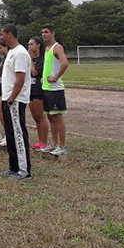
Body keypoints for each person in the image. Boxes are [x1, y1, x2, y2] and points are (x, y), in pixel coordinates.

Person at [0, 24, 32, 180]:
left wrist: (12, 97)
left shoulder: (20, 53)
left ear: (10, 34)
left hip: (16, 100)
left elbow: (20, 79)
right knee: (10, 134)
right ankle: (13, 167)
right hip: (8, 98)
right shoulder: (11, 52)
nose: (1, 37)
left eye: (3, 34)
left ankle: (24, 171)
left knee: (18, 134)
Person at [41, 25, 70, 156]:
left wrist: (56, 77)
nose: (44, 35)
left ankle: (62, 146)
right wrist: (43, 78)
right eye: (42, 32)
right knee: (50, 117)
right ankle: (53, 144)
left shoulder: (57, 47)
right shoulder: (46, 49)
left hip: (55, 89)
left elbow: (65, 63)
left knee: (57, 117)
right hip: (46, 88)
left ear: (53, 33)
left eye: (46, 32)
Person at [27, 36, 50, 150]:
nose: (29, 47)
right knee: (35, 117)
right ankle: (40, 141)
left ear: (38, 45)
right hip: (30, 89)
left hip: (39, 90)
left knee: (41, 117)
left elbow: (35, 72)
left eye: (31, 44)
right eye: (29, 45)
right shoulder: (31, 59)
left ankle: (44, 142)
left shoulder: (42, 59)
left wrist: (30, 60)